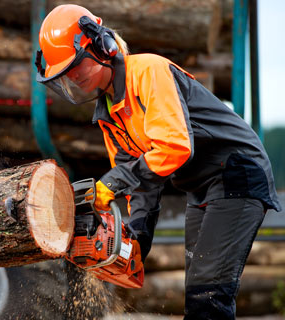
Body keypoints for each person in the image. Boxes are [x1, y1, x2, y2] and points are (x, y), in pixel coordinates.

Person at [35, 4, 282, 320]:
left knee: (208, 296)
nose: (73, 76)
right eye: (64, 74)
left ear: (100, 46)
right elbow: (142, 184)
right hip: (203, 189)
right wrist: (135, 242)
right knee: (199, 295)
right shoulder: (110, 115)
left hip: (237, 175)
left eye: (75, 66)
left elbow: (176, 147)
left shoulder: (148, 73)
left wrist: (111, 183)